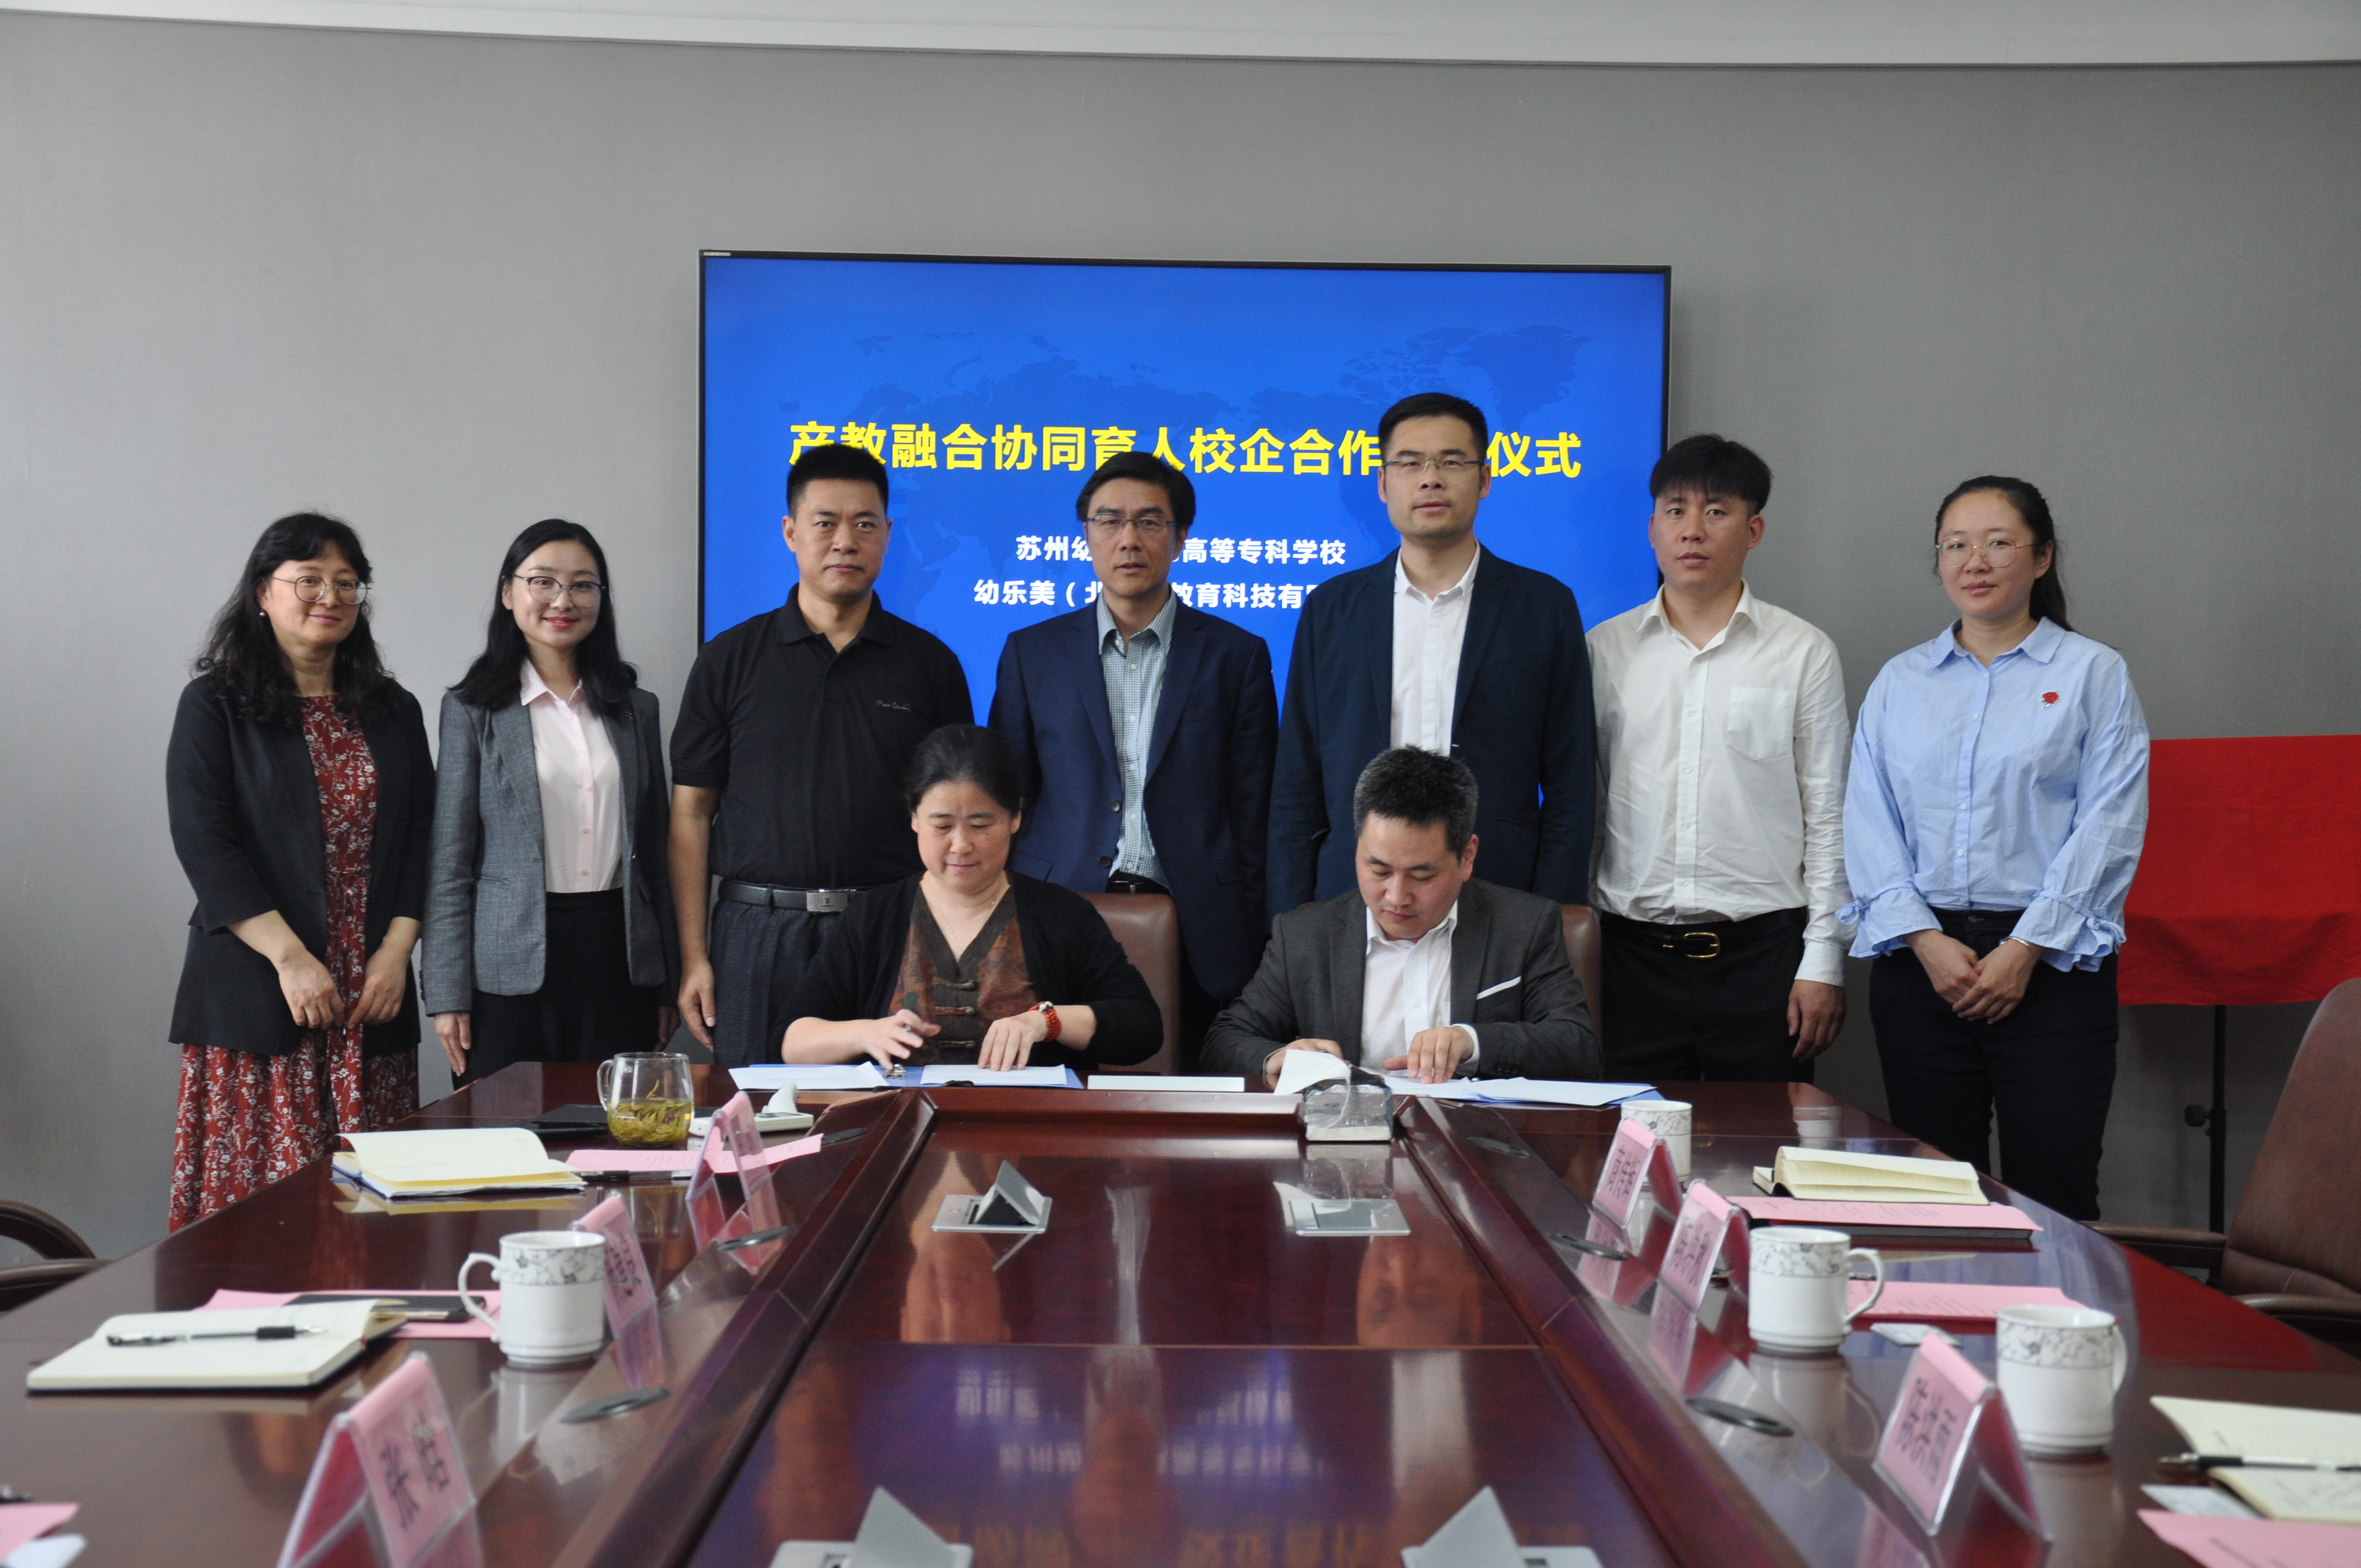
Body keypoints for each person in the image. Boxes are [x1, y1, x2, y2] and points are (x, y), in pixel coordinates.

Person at [1843, 477, 2148, 1219]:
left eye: (1997, 543)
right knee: (1931, 1200)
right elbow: (1867, 820)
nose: (1973, 561)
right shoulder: (1900, 681)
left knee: (2055, 1196)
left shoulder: (2092, 673)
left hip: (2051, 970)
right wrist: (1924, 940)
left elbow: (2110, 822)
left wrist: (2024, 949)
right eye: (1955, 545)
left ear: (2041, 558)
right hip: (1923, 969)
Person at [165, 513, 434, 1229]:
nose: (330, 597)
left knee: (372, 1218)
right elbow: (205, 844)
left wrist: (395, 955)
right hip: (262, 990)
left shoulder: (393, 709)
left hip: (369, 992)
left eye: (347, 583)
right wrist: (290, 960)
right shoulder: (214, 705)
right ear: (263, 591)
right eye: (309, 580)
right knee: (264, 1222)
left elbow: (423, 840)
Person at [671, 444, 973, 1067]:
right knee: (754, 1111)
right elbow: (692, 813)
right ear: (790, 532)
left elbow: (956, 819)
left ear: (886, 534)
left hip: (888, 928)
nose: (845, 541)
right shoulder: (729, 660)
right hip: (757, 932)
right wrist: (695, 956)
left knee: (892, 1108)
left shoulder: (930, 665)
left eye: (864, 524)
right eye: (825, 522)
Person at [989, 451, 1278, 1068]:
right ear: (1086, 534)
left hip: (1199, 922)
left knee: (1194, 1100)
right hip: (1060, 911)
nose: (1128, 539)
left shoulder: (1237, 655)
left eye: (1149, 522)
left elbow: (1254, 808)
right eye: (1109, 521)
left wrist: (1250, 918)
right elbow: (1007, 797)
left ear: (1180, 537)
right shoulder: (1032, 653)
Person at [1267, 391, 1595, 917]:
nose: (1431, 479)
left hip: (1501, 894)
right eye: (1410, 463)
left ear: (1484, 479)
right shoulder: (1333, 608)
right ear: (1383, 484)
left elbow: (1571, 784)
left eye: (1451, 461)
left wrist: (1552, 916)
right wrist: (1289, 919)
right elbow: (1296, 781)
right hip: (1350, 896)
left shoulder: (1543, 607)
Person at [1587, 435, 1851, 1082]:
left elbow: (1829, 813)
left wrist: (1823, 960)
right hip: (1628, 957)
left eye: (1716, 511)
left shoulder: (1802, 652)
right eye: (1675, 510)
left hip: (1762, 957)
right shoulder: (1604, 650)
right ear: (1652, 527)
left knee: (1763, 1141)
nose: (1692, 530)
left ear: (1753, 529)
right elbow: (1580, 802)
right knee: (1629, 1140)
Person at [423, 520, 676, 1085]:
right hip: (506, 965)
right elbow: (449, 863)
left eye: (583, 585)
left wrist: (668, 981)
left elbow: (655, 857)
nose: (563, 601)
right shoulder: (472, 710)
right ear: (508, 593)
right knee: (503, 1127)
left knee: (614, 1127)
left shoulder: (636, 709)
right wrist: (446, 993)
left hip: (620, 955)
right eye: (543, 582)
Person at [1203, 747, 1599, 1084]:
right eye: (1379, 871)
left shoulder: (1524, 926)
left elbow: (1578, 1047)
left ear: (1467, 857)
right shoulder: (1305, 936)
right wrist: (1277, 1057)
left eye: (1421, 876)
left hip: (1475, 1138)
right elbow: (1225, 1042)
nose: (1396, 897)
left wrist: (1473, 1043)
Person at [779, 725, 1161, 1074]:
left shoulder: (1062, 915)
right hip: (901, 1117)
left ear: (1015, 818)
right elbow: (793, 1039)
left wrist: (1047, 1021)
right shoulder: (872, 918)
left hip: (1029, 1120)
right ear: (914, 818)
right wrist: (863, 1034)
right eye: (942, 826)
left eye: (980, 825)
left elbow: (1142, 1028)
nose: (960, 845)